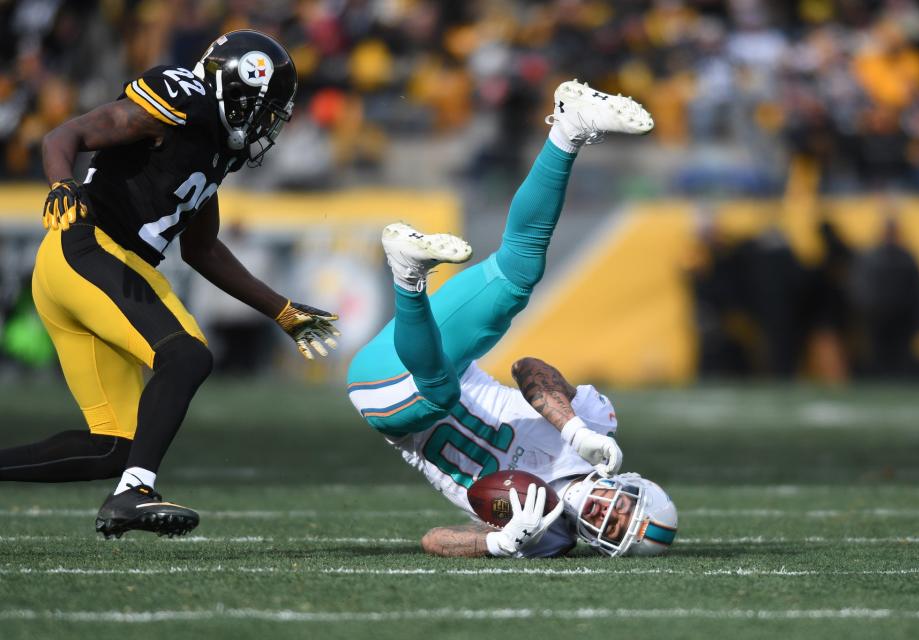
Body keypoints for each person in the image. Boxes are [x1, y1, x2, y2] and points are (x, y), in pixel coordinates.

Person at [0, 30, 340, 539]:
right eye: (265, 106)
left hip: (93, 267)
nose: (271, 122)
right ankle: (134, 492)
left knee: (112, 445)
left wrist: (283, 310)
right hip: (86, 247)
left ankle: (126, 480)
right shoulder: (183, 99)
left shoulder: (219, 146)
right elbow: (63, 136)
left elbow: (201, 249)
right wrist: (60, 184)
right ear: (235, 88)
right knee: (185, 355)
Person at [347, 81, 677, 558]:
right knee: (518, 274)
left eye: (616, 528)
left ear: (603, 543)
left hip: (389, 398)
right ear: (632, 485)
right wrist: (573, 431)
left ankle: (406, 279)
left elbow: (435, 540)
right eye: (625, 510)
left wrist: (497, 542)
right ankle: (570, 128)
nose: (608, 513)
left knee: (439, 394)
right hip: (437, 351)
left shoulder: (551, 538)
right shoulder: (596, 429)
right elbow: (527, 367)